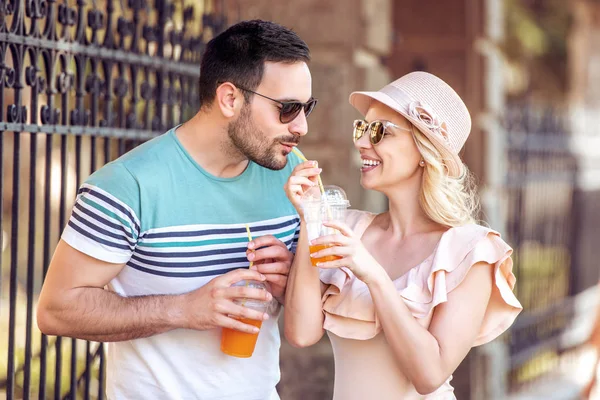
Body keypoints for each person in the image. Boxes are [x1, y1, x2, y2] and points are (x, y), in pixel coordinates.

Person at [36, 20, 316, 400]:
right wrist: (183, 309)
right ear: (230, 99)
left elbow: (309, 319)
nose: (300, 126)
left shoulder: (291, 173)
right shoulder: (127, 185)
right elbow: (56, 310)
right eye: (288, 108)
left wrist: (291, 277)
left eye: (307, 108)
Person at [283, 71, 523, 399]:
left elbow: (429, 375)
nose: (362, 142)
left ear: (425, 150)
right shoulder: (348, 229)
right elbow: (301, 333)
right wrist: (310, 218)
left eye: (381, 130)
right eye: (362, 127)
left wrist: (373, 276)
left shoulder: (471, 252)